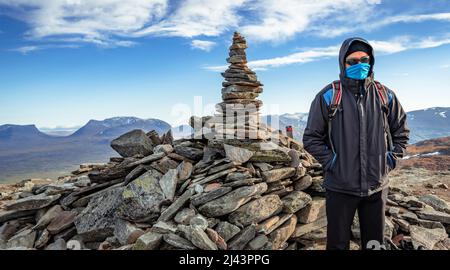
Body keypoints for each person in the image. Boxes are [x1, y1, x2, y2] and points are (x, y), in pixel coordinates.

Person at [302, 37, 410, 250]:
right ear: (343, 63)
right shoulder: (329, 96)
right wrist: (334, 162)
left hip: (376, 187)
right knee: (338, 244)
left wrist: (389, 160)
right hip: (340, 187)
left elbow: (402, 133)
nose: (359, 65)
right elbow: (311, 138)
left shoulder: (384, 95)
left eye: (364, 59)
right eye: (352, 61)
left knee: (374, 244)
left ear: (371, 62)